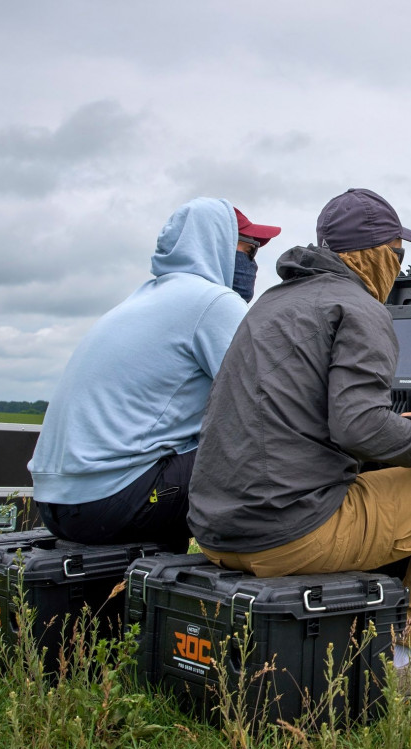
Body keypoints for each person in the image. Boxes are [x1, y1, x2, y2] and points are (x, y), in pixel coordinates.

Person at [188, 188, 411, 681]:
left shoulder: (270, 304)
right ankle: (406, 658)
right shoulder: (361, 309)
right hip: (287, 535)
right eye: (397, 252)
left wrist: (407, 429)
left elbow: (309, 417)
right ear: (374, 254)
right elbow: (357, 426)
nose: (398, 264)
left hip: (219, 532)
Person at [28, 198, 280, 550]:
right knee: (268, 451)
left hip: (56, 504)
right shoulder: (213, 302)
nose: (253, 263)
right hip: (109, 502)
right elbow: (268, 402)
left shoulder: (140, 300)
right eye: (249, 249)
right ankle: (278, 566)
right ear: (215, 244)